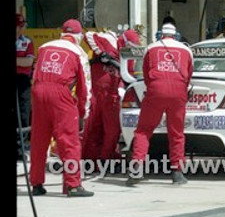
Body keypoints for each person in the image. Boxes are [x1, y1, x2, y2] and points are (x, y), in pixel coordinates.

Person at [29, 19, 94, 197]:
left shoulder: (44, 47)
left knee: (39, 139)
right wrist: (83, 113)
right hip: (61, 93)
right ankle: (73, 185)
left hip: (38, 91)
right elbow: (85, 87)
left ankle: (36, 183)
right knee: (69, 140)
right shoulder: (79, 52)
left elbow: (35, 73)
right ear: (78, 36)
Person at [127, 23, 193, 186]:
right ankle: (177, 173)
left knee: (143, 130)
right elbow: (189, 74)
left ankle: (137, 168)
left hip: (156, 89)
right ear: (175, 34)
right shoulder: (186, 50)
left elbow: (146, 73)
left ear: (161, 35)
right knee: (176, 133)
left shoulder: (151, 48)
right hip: (178, 92)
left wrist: (152, 89)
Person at [81, 29, 141, 163]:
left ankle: (105, 159)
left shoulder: (128, 57)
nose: (129, 48)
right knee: (92, 127)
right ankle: (89, 159)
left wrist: (121, 90)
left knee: (113, 130)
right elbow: (88, 36)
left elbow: (128, 77)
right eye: (129, 45)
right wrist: (101, 53)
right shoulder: (110, 40)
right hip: (95, 93)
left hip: (112, 95)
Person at [16, 13, 35, 159]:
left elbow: (28, 63)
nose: (21, 29)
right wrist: (19, 61)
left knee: (23, 114)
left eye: (21, 26)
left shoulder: (27, 42)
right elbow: (22, 62)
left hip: (23, 81)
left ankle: (20, 150)